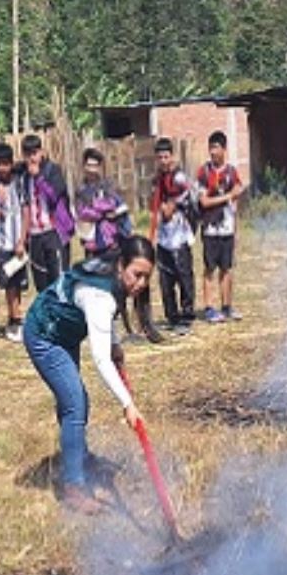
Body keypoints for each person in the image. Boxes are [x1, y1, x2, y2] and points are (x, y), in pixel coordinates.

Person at [22, 234, 156, 514]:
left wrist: (115, 343)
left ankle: (78, 457)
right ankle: (74, 487)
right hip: (45, 335)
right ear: (122, 265)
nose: (141, 284)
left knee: (73, 401)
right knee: (75, 403)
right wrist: (127, 404)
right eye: (137, 275)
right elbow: (100, 358)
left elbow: (108, 318)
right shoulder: (99, 294)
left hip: (65, 332)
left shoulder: (112, 276)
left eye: (147, 277)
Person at [196, 130, 245, 323]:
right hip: (210, 229)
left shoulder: (232, 172)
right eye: (211, 148)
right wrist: (228, 196)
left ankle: (227, 306)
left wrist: (236, 229)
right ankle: (209, 307)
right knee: (210, 269)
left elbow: (237, 201)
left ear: (224, 149)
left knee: (227, 268)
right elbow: (204, 202)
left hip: (227, 228)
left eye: (216, 148)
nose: (213, 152)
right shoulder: (204, 172)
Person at [149, 138, 197, 332]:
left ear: (172, 156)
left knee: (183, 274)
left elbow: (191, 198)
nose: (163, 160)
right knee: (165, 278)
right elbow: (154, 205)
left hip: (179, 233)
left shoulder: (180, 178)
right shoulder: (156, 180)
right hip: (164, 235)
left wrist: (174, 205)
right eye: (159, 157)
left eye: (166, 156)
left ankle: (187, 315)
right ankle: (172, 316)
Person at [21, 138, 74, 293]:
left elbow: (54, 196)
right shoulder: (24, 176)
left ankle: (62, 315)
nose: (31, 158)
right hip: (35, 234)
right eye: (27, 154)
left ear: (42, 152)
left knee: (59, 279)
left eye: (34, 153)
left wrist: (38, 177)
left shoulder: (53, 171)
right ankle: (46, 315)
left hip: (54, 232)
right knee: (41, 283)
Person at [0, 143, 28, 342]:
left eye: (6, 164)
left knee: (18, 282)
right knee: (8, 283)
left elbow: (26, 211)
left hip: (17, 240)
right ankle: (15, 319)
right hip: (1, 242)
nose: (3, 168)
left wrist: (22, 240)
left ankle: (16, 318)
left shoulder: (19, 183)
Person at [75, 147, 132, 262]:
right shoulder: (81, 190)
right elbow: (81, 212)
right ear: (84, 166)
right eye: (89, 165)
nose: (91, 170)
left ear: (100, 167)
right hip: (90, 241)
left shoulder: (108, 186)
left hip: (110, 241)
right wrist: (98, 211)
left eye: (95, 166)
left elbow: (122, 206)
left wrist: (113, 213)